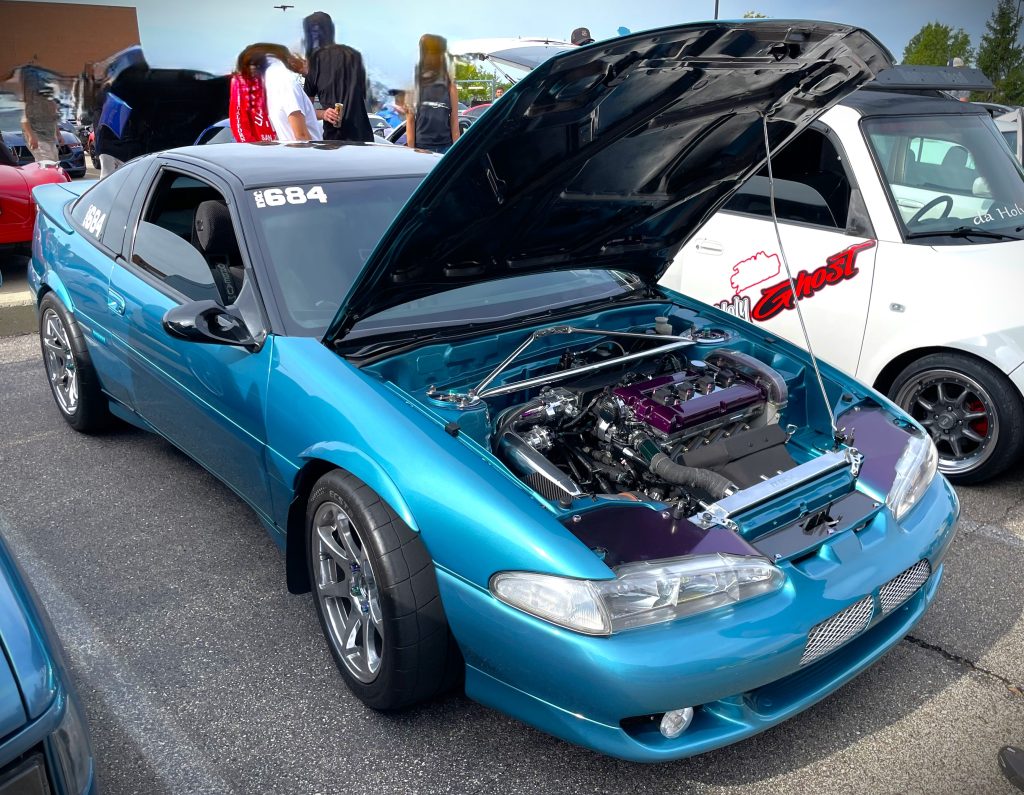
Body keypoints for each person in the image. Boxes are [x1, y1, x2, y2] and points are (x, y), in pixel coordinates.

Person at [302, 12, 374, 142]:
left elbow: (306, 109)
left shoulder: (315, 62)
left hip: (334, 141)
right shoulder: (354, 55)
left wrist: (324, 113)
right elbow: (365, 93)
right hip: (362, 137)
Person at [235, 44, 321, 142]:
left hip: (294, 154)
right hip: (305, 154)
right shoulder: (285, 83)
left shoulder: (274, 87)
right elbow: (301, 136)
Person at [407, 34, 459, 155]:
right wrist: (411, 152)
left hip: (446, 148)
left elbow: (455, 120)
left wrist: (456, 152)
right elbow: (410, 119)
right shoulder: (414, 82)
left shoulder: (450, 83)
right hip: (421, 148)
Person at [19, 66, 60, 163]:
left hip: (49, 137)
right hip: (38, 136)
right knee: (47, 165)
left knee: (54, 163)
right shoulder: (29, 99)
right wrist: (31, 136)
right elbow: (24, 118)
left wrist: (58, 133)